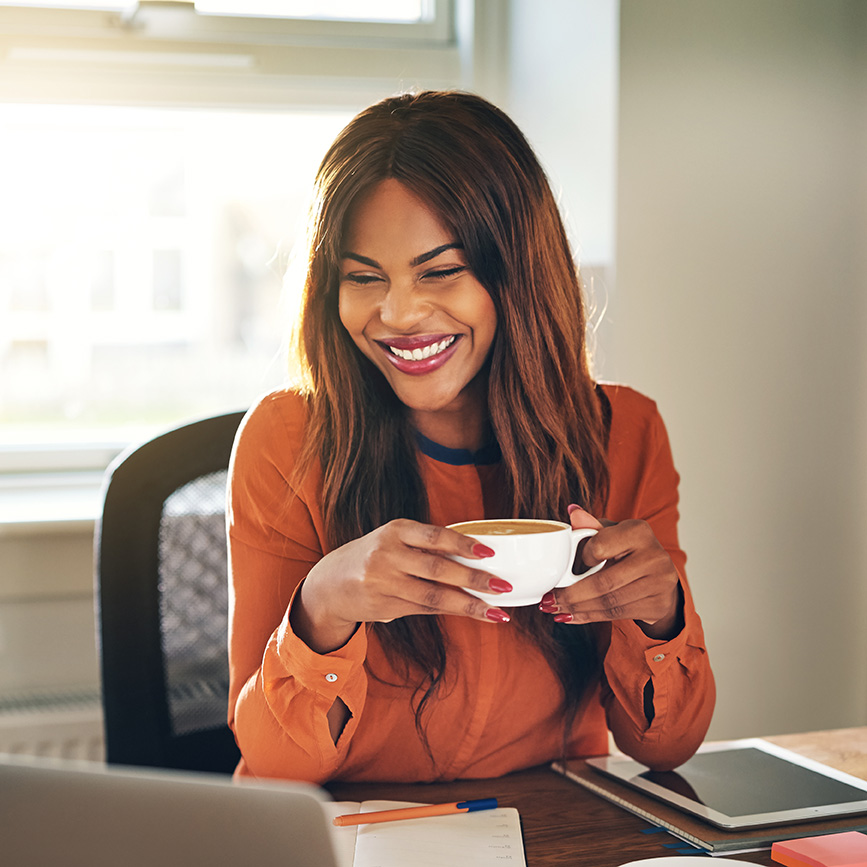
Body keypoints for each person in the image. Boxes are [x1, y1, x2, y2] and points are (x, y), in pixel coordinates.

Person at [226, 90, 714, 784]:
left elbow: (665, 746)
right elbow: (275, 768)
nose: (396, 313)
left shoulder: (623, 431)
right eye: (364, 278)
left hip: (544, 835)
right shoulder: (285, 439)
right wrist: (322, 605)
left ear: (515, 272)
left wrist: (660, 616)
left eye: (440, 272)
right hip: (353, 841)